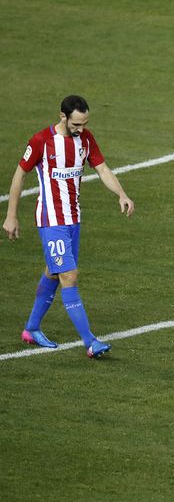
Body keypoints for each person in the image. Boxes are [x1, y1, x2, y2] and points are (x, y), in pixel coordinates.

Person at [3, 95, 135, 359]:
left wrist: (122, 194)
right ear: (62, 116)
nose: (81, 129)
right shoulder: (42, 141)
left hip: (73, 219)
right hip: (52, 221)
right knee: (69, 276)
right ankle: (91, 342)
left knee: (54, 273)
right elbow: (20, 175)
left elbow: (102, 169)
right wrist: (11, 215)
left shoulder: (85, 139)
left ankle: (31, 329)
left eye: (84, 123)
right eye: (76, 124)